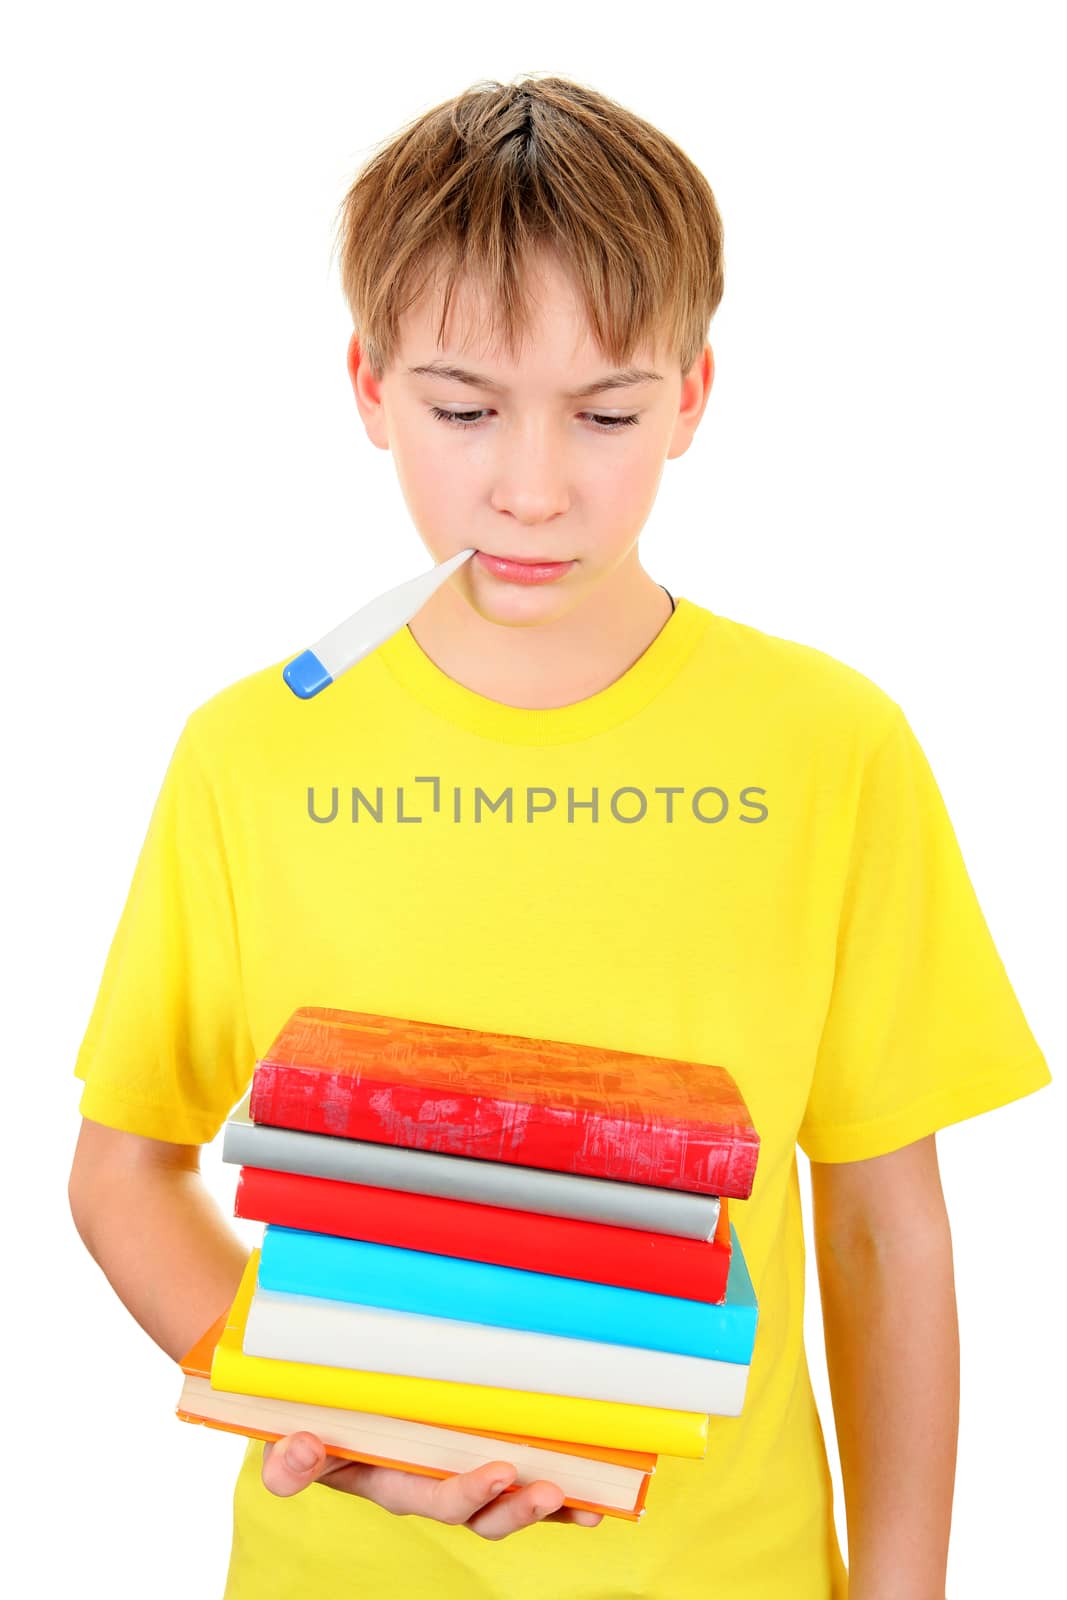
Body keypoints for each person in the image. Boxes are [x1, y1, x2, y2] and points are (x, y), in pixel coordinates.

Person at [67, 73, 1051, 1600]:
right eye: (464, 410)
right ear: (369, 387)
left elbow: (880, 1225)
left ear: (696, 397)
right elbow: (125, 1168)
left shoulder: (829, 746)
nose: (532, 488)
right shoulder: (248, 755)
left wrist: (905, 1586)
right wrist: (322, 1409)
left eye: (606, 413)